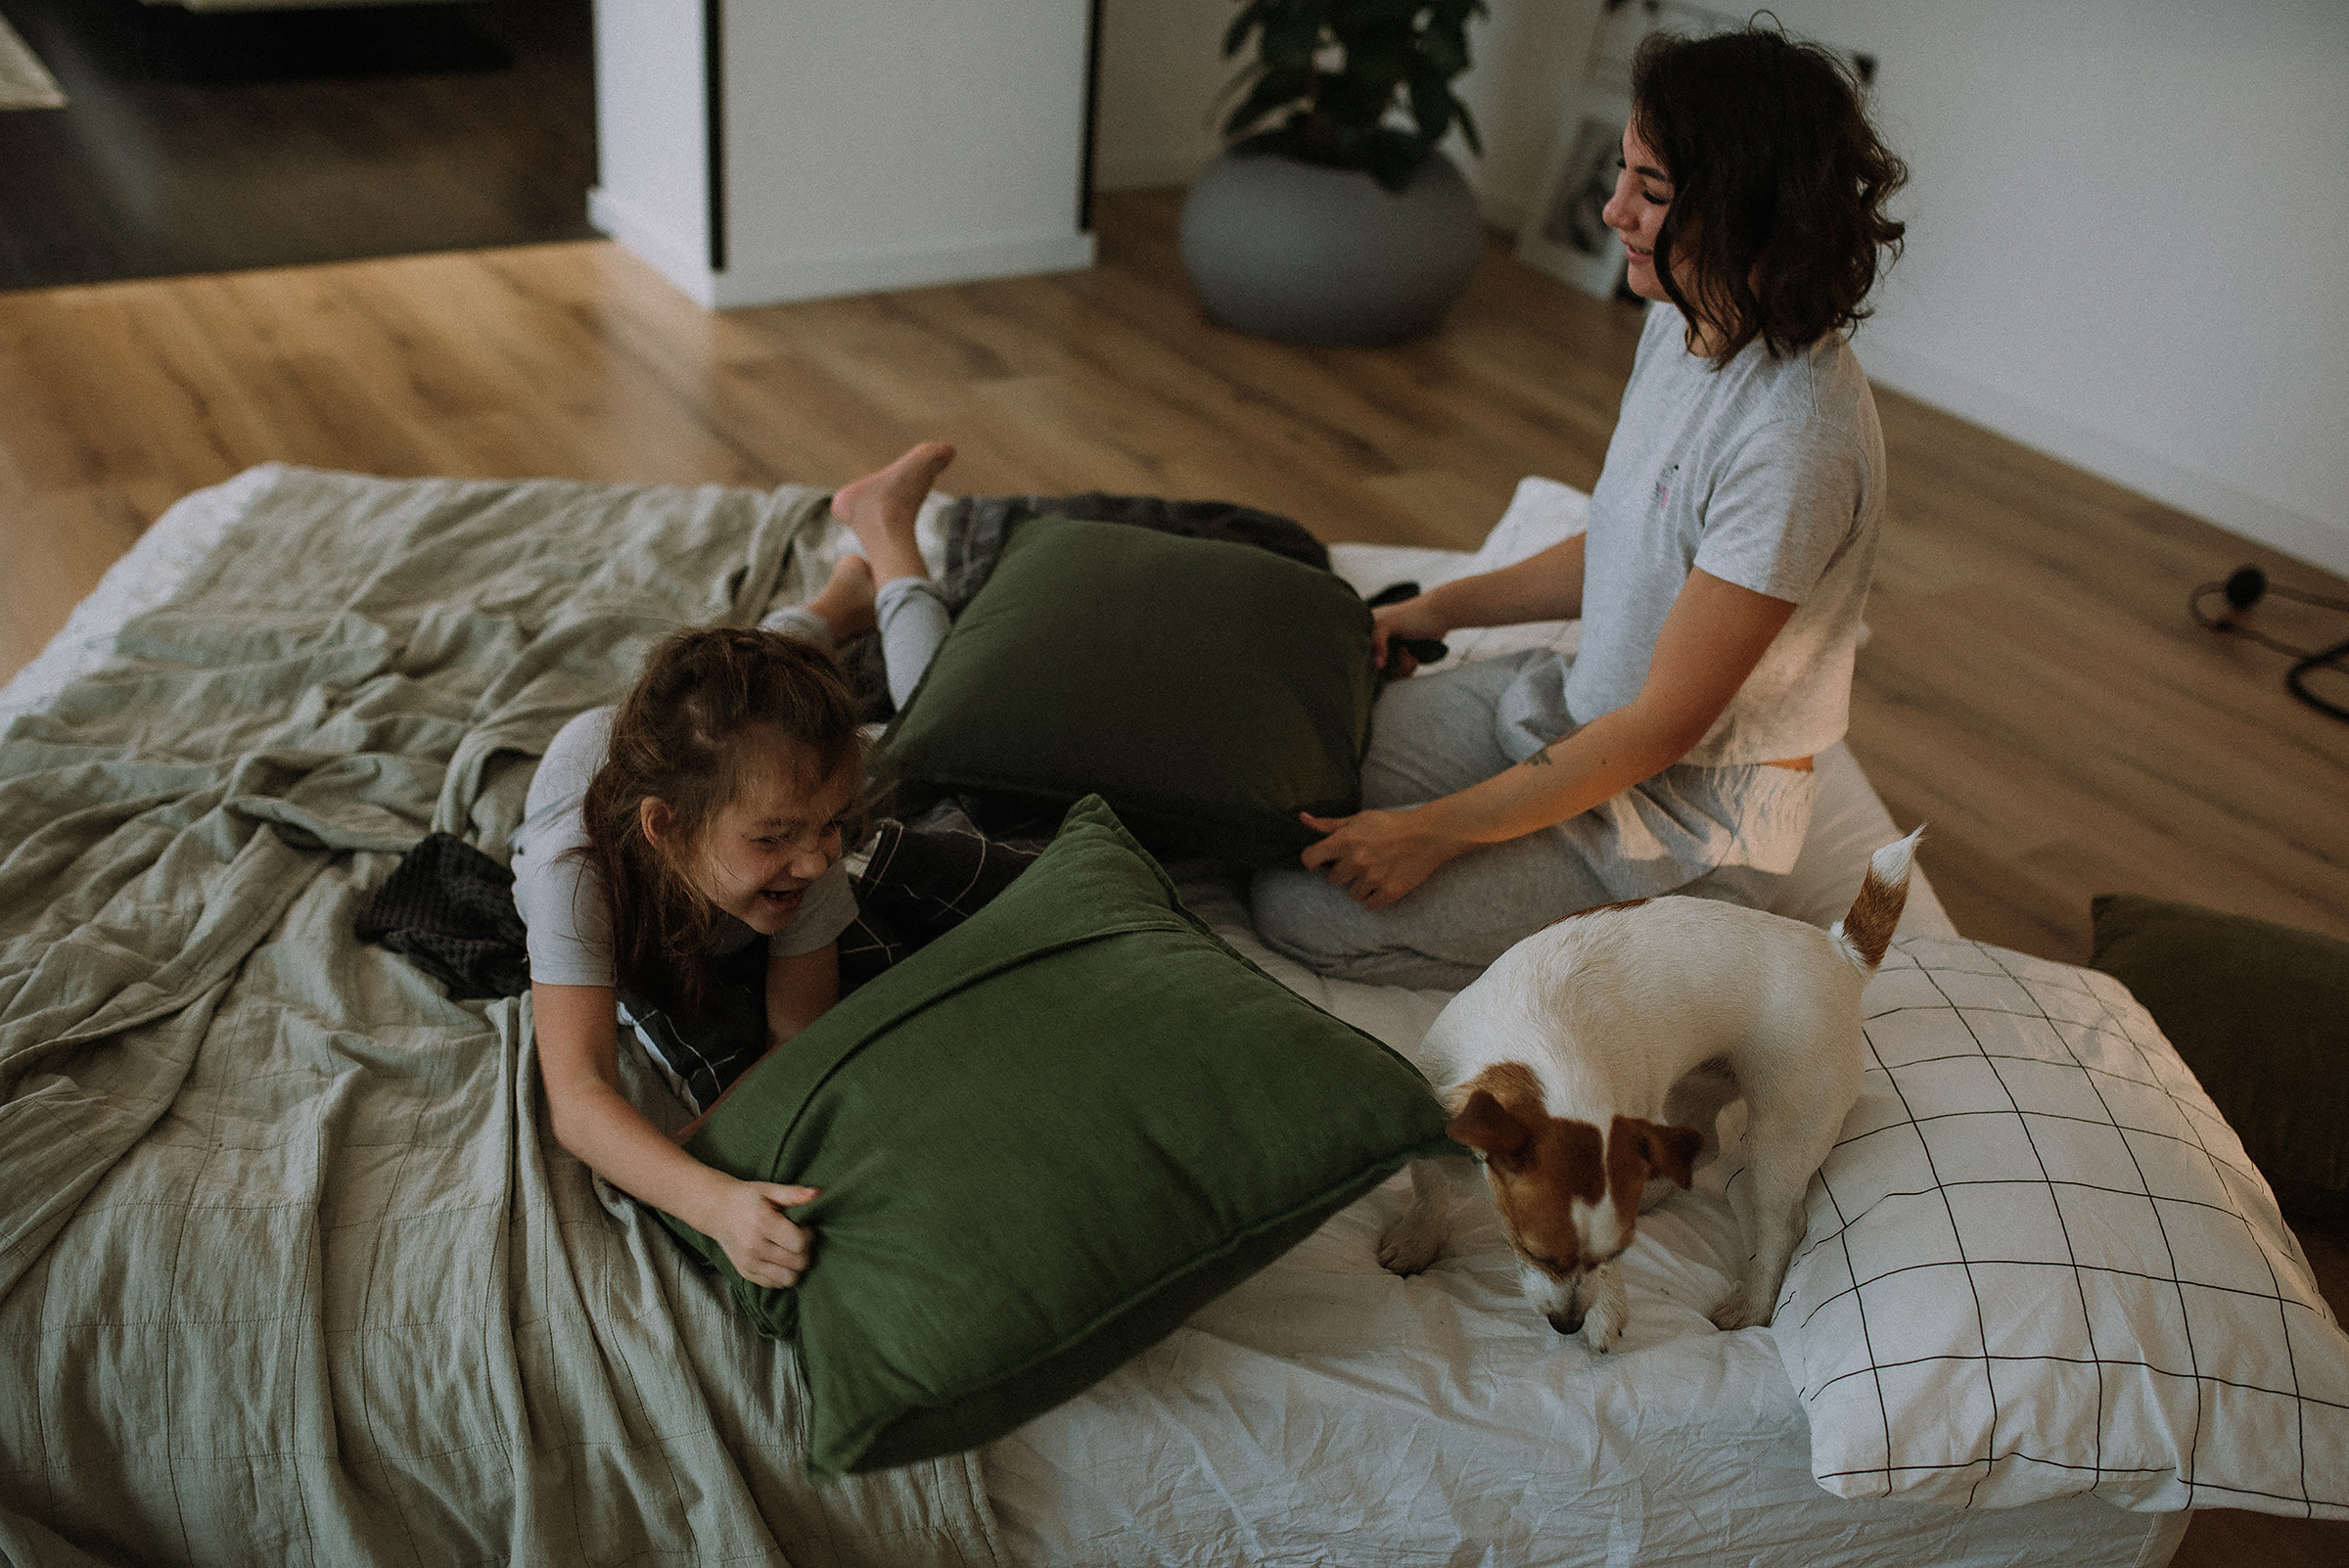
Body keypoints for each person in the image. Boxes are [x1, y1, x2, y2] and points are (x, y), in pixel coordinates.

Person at [1251, 24, 1909, 990]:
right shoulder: (1686, 318)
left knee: (1301, 908)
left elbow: (1659, 731)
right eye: (1621, 175)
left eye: (1651, 191)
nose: (1611, 212)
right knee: (1289, 760)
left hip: (1677, 825)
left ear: (1747, 211)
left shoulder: (1796, 442)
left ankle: (1667, 940)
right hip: (1568, 711)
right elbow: (1625, 538)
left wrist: (1430, 836)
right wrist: (1437, 609)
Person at [512, 441, 955, 1290]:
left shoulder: (802, 841)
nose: (819, 859)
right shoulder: (574, 872)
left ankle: (873, 545)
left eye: (831, 828)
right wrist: (711, 1200)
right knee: (745, 730)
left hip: (717, 763)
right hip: (641, 774)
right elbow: (581, 1095)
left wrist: (703, 1145)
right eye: (777, 839)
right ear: (664, 832)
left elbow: (798, 1034)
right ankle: (865, 564)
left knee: (940, 735)